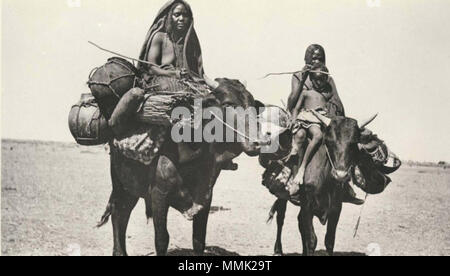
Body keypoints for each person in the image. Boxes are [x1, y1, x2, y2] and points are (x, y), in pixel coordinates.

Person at [286, 44, 364, 205]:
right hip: (303, 118)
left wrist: (332, 116)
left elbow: (338, 104)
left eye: (320, 58)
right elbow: (292, 103)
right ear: (306, 59)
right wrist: (302, 81)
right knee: (297, 138)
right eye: (313, 58)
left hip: (325, 119)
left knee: (348, 144)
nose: (316, 61)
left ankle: (347, 186)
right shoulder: (298, 76)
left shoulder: (328, 78)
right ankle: (290, 179)